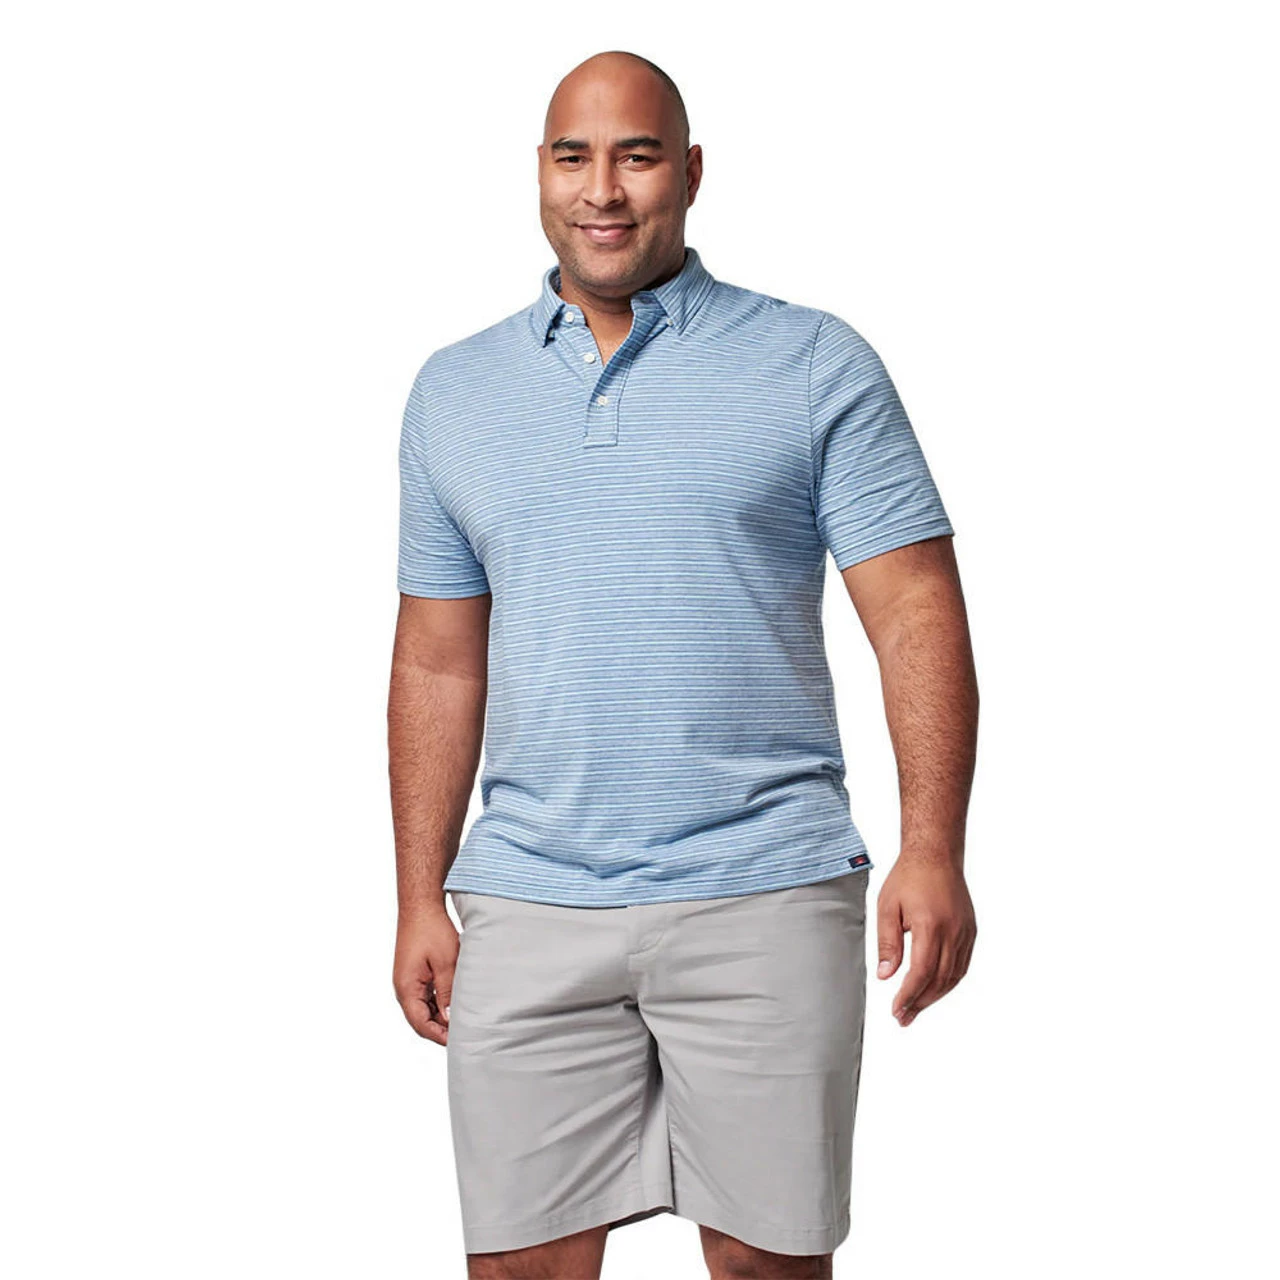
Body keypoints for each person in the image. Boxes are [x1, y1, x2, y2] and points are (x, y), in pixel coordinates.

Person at [388, 48, 979, 1280]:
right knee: (518, 1268)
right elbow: (438, 660)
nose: (602, 189)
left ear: (691, 173)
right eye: (573, 156)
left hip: (764, 884)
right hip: (529, 897)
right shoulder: (454, 392)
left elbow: (913, 610)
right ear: (539, 173)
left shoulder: (811, 361)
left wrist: (932, 846)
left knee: (766, 1264)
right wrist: (416, 894)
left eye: (637, 156)